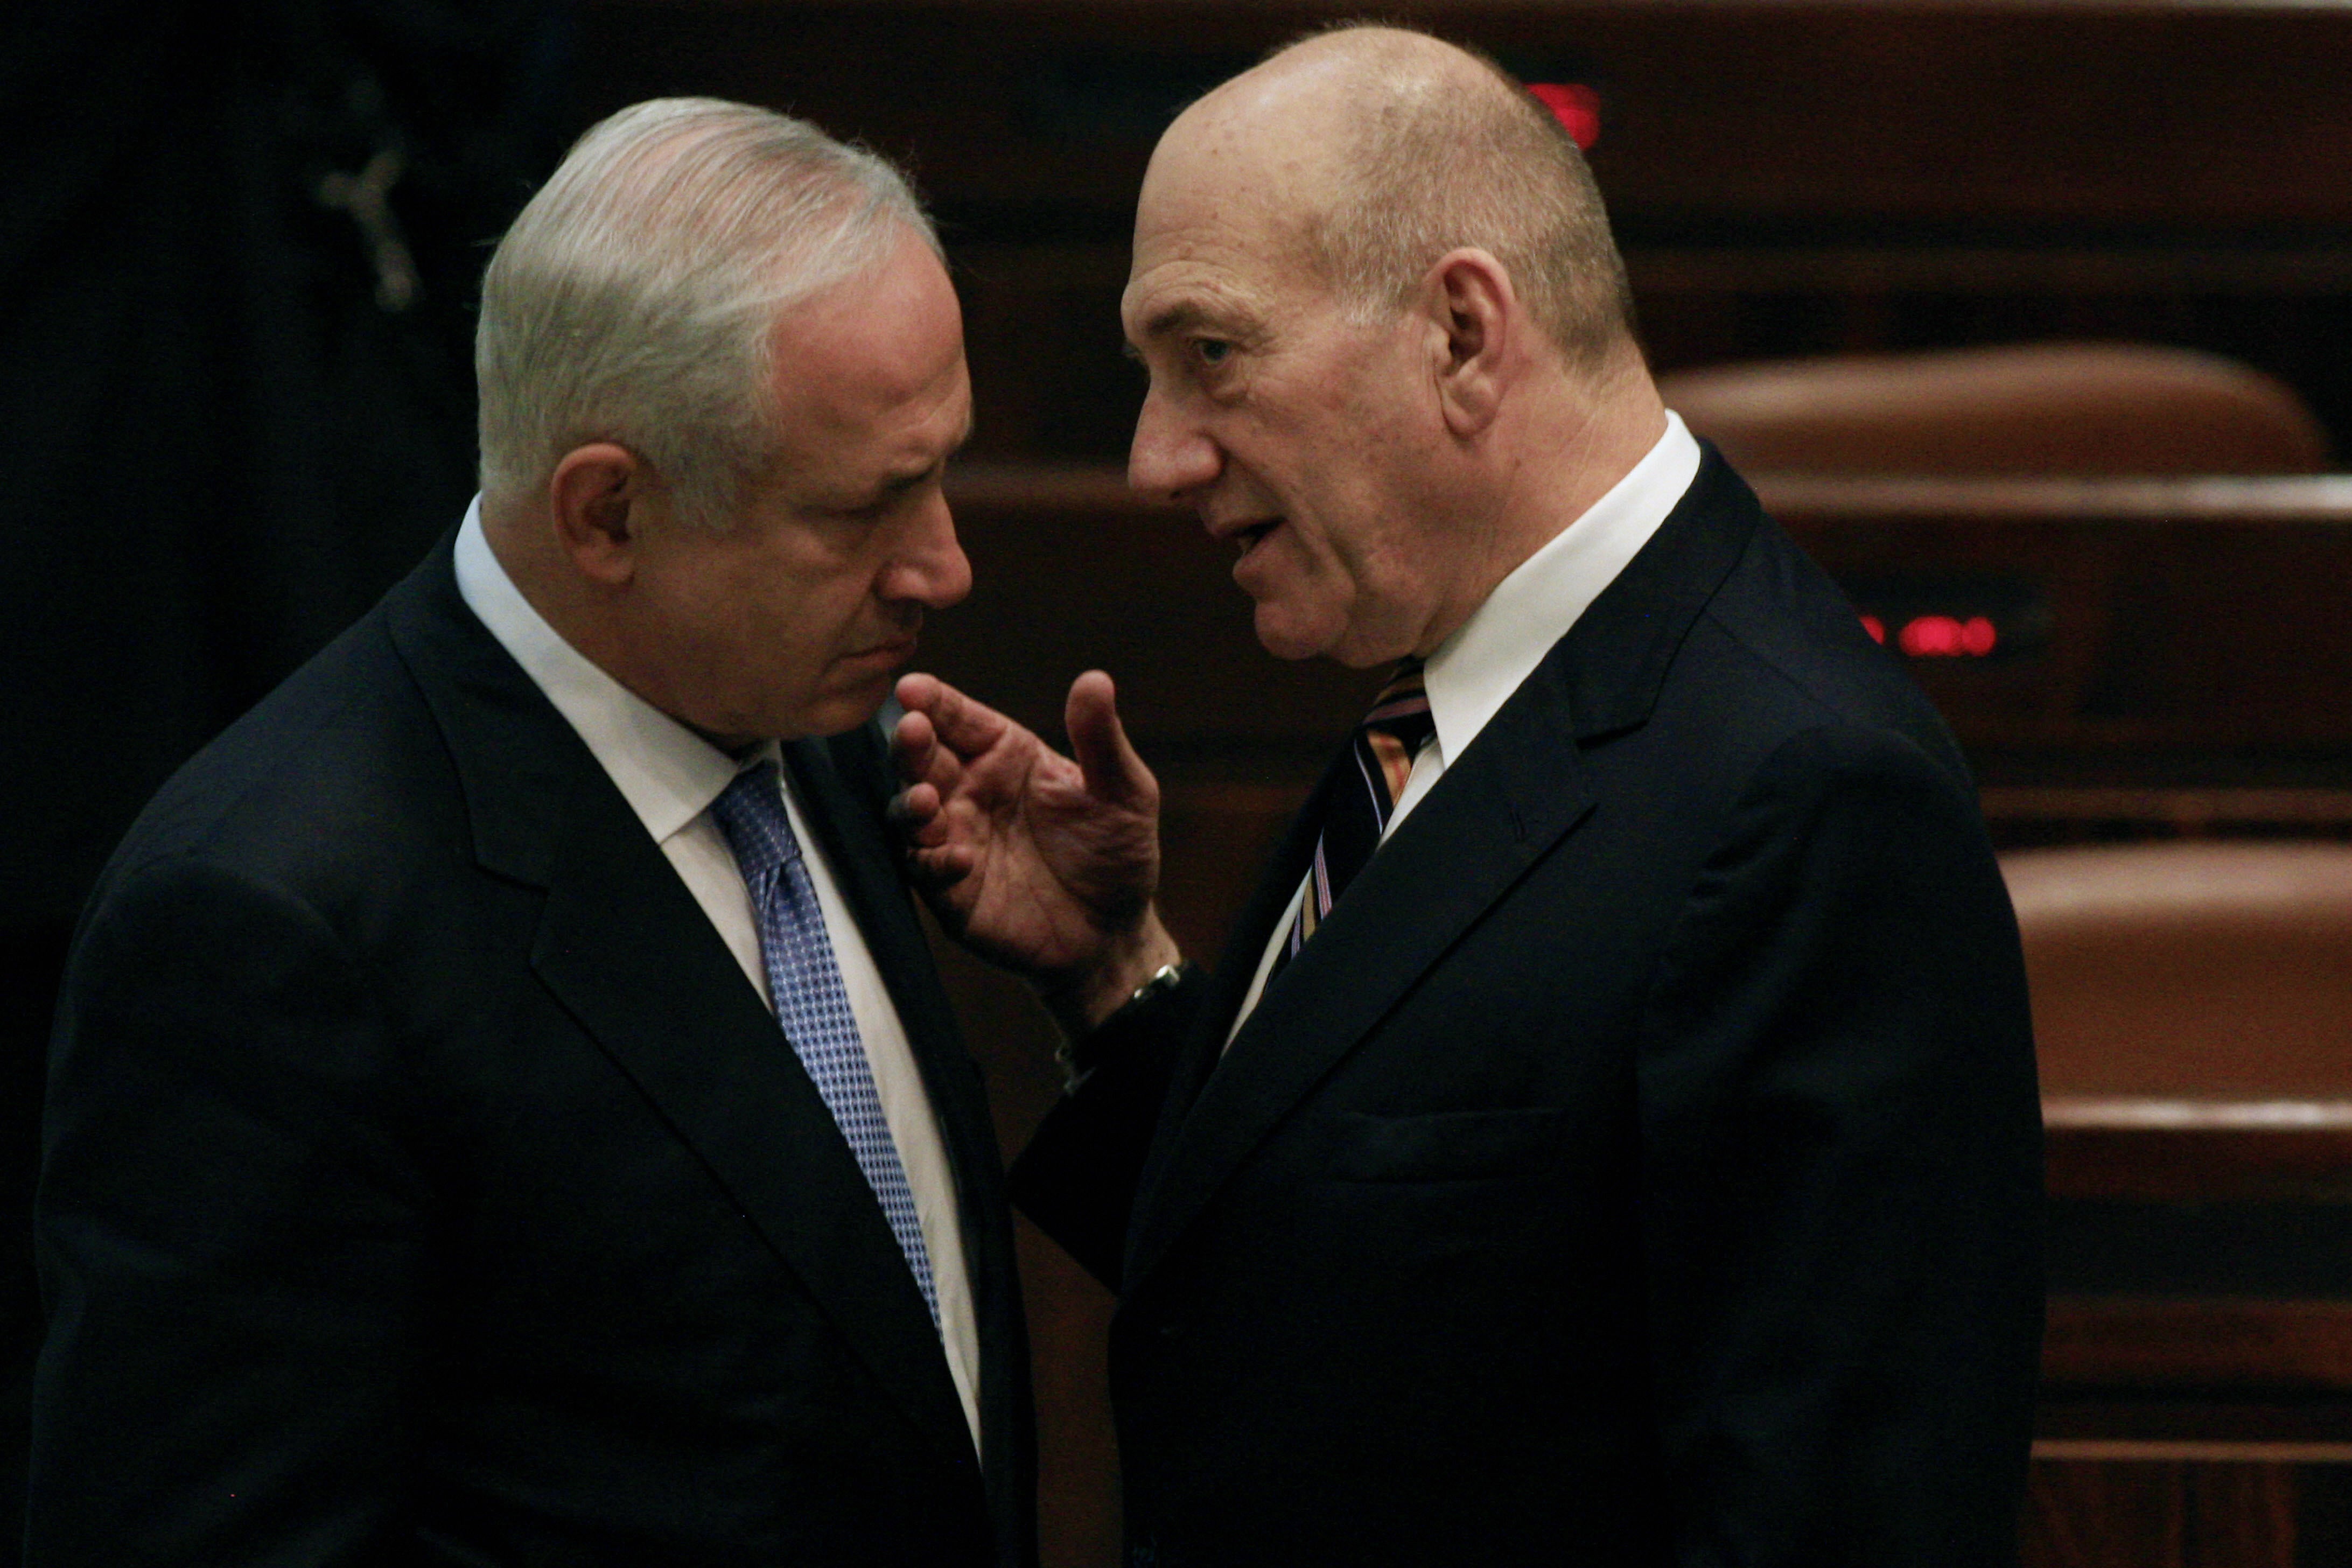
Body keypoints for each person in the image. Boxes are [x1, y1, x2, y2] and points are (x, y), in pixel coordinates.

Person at [891, 26, 2042, 1567]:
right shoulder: (1451, 684)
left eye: (1210, 356)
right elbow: (1407, 1305)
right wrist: (1120, 983)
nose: (1156, 459)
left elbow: (1842, 1518)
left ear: (1459, 333)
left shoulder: (1810, 802)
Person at [31, 99, 1032, 1566]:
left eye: (940, 468)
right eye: (865, 508)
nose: (942, 564)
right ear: (609, 514)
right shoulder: (266, 924)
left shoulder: (819, 727)